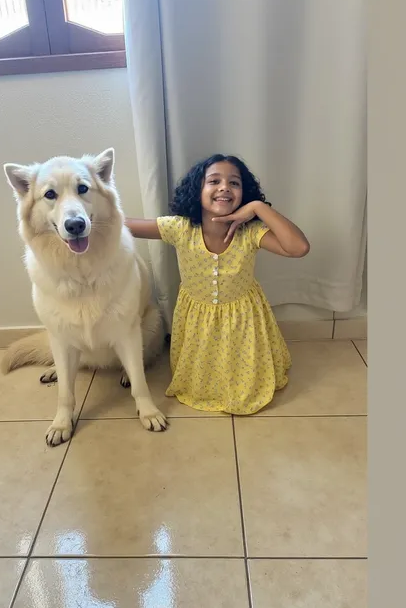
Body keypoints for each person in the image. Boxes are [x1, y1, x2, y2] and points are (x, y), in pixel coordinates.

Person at [125, 154, 310, 415]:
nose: (224, 187)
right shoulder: (180, 228)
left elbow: (298, 248)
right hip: (197, 320)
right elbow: (120, 226)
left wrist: (258, 208)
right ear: (197, 190)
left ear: (243, 195)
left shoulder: (251, 232)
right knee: (206, 374)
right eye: (214, 181)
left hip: (243, 319)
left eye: (234, 183)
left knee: (242, 372)